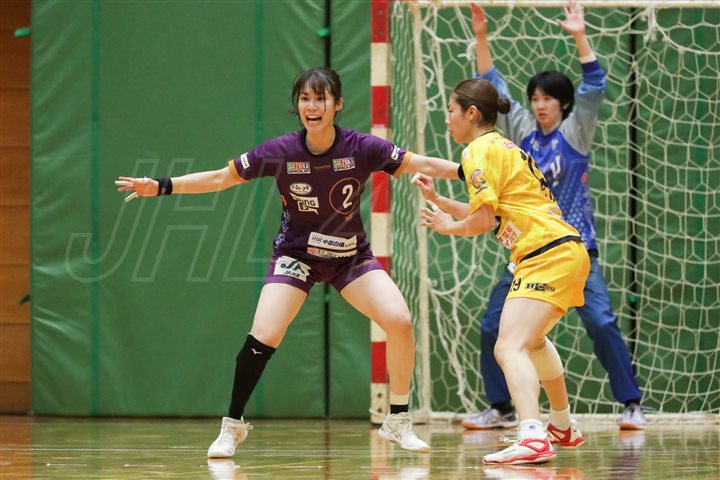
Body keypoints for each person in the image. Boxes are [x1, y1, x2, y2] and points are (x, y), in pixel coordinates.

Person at [116, 67, 460, 457]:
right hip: (296, 257)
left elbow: (421, 164)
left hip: (350, 259)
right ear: (297, 105)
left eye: (320, 98)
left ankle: (397, 421)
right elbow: (219, 179)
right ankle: (232, 427)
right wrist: (161, 186)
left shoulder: (362, 147)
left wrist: (467, 171)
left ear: (337, 104)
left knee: (399, 321)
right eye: (305, 98)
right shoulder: (280, 151)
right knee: (263, 335)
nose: (312, 106)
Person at [461, 1, 645, 432]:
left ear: (563, 103)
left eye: (547, 99)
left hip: (573, 248)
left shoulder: (575, 133)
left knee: (600, 321)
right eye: (535, 99)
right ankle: (503, 409)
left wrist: (580, 35)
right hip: (527, 253)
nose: (540, 105)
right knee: (492, 326)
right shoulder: (522, 133)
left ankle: (631, 404)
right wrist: (481, 35)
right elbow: (492, 84)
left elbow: (594, 85)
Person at [412, 77, 588, 464]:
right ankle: (561, 425)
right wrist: (440, 201)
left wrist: (448, 227)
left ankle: (533, 435)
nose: (447, 119)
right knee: (532, 343)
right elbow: (492, 216)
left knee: (509, 347)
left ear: (472, 113)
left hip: (547, 254)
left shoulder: (477, 151)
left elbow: (479, 222)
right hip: (563, 251)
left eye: (451, 111)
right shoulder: (502, 147)